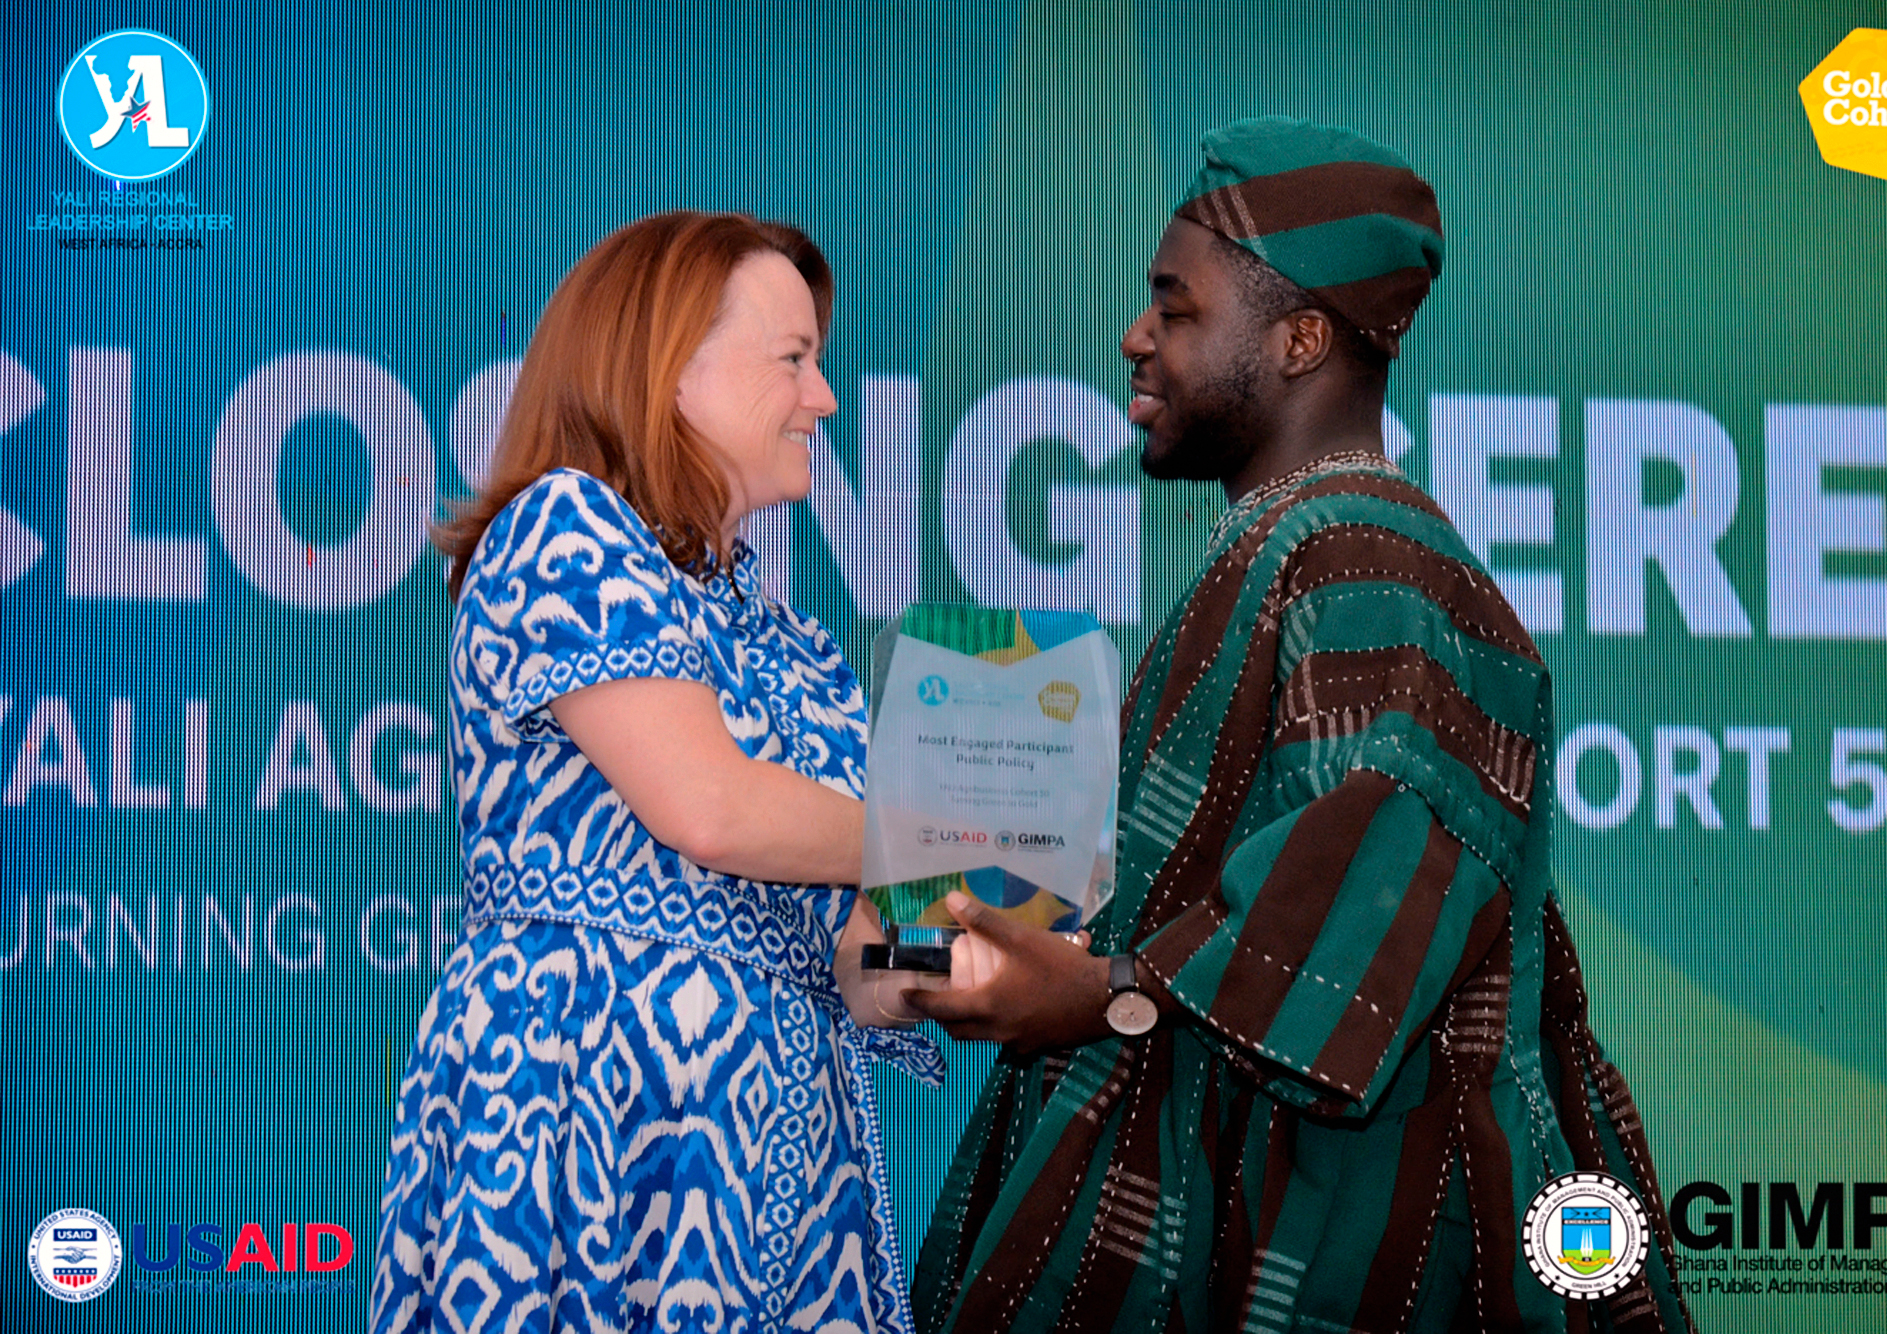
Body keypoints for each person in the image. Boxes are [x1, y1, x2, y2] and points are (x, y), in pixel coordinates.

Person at [905, 118, 1697, 1333]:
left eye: (1173, 305)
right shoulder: (1294, 543)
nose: (1135, 335)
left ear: (1299, 337)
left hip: (1354, 1247)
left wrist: (1095, 990)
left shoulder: (1367, 555)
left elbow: (1344, 932)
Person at [371, 210, 942, 1334]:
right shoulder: (562, 527)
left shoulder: (796, 642)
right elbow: (712, 808)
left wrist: (980, 934)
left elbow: (861, 961)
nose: (823, 399)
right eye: (794, 359)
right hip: (587, 1123)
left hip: (784, 1166)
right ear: (668, 367)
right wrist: (953, 831)